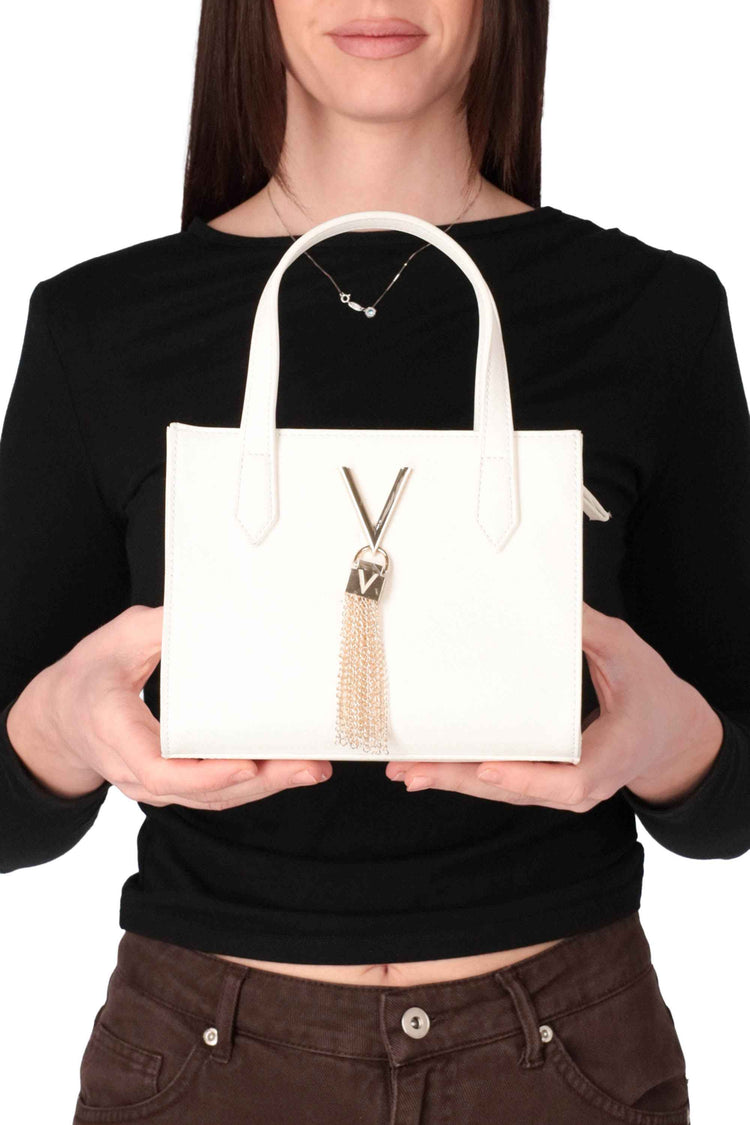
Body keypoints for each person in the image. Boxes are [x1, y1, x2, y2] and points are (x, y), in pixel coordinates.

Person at [1, 1, 748, 1121]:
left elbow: (734, 795)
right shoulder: (98, 325)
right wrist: (63, 727)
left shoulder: (654, 315)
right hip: (205, 1057)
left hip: (564, 1053)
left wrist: (667, 741)